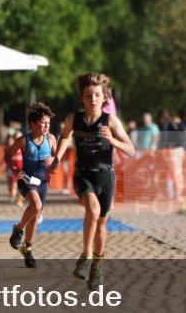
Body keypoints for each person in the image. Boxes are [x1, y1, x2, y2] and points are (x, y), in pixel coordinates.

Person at [54, 73, 135, 289]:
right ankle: (85, 256)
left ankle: (97, 267)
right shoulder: (74, 119)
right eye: (88, 95)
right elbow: (64, 136)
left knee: (101, 224)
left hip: (105, 177)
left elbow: (131, 150)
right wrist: (57, 158)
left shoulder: (110, 121)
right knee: (92, 209)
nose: (93, 100)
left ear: (104, 97)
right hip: (83, 175)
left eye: (97, 95)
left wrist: (113, 140)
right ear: (82, 98)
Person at [6, 103, 58, 268]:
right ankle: (18, 228)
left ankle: (27, 249)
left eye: (48, 123)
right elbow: (7, 155)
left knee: (35, 214)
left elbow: (57, 158)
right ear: (33, 124)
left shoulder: (51, 139)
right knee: (36, 205)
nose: (46, 126)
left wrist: (52, 161)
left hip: (42, 182)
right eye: (43, 123)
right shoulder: (23, 141)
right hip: (26, 180)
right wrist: (15, 169)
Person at [158, 109, 185, 199]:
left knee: (171, 172)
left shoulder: (166, 124)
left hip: (172, 150)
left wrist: (162, 148)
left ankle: (173, 194)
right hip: (180, 148)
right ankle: (176, 193)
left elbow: (164, 137)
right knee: (176, 171)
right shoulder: (174, 122)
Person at [4, 133, 23, 205]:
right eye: (17, 137)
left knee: (20, 185)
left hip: (21, 168)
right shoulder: (12, 147)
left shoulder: (24, 146)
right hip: (12, 168)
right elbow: (6, 157)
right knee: (12, 184)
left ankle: (19, 200)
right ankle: (12, 196)